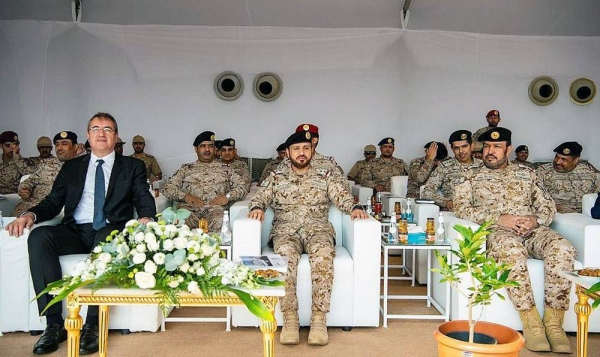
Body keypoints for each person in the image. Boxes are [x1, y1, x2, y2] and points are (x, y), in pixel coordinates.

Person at [5, 113, 156, 355]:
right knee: (39, 237)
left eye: (108, 129)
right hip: (76, 230)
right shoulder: (72, 167)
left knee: (107, 237)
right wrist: (30, 215)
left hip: (110, 229)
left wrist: (147, 217)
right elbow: (54, 201)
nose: (101, 133)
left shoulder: (132, 166)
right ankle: (53, 324)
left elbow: (142, 196)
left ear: (116, 136)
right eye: (95, 128)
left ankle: (92, 325)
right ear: (88, 135)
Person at [453, 127, 575, 354]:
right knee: (511, 251)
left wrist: (535, 219)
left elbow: (548, 206)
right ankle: (531, 322)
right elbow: (461, 208)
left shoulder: (527, 174)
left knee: (562, 248)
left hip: (532, 231)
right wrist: (499, 219)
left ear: (508, 149)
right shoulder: (469, 176)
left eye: (497, 147)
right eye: (487, 146)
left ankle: (554, 323)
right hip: (499, 233)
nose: (490, 151)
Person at [248, 131, 368, 346]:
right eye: (296, 149)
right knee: (284, 257)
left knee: (323, 255)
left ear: (312, 150)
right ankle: (290, 319)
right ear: (288, 153)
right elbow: (259, 197)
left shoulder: (325, 175)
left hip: (318, 229)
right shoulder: (276, 177)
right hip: (286, 231)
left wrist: (355, 208)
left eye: (305, 148)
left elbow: (341, 196)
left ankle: (319, 320)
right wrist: (257, 208)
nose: (301, 153)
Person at [161, 131, 247, 232]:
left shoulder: (226, 169)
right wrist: (185, 196)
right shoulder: (186, 169)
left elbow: (242, 187)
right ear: (196, 149)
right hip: (189, 210)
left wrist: (227, 197)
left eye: (210, 146)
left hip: (215, 211)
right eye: (203, 146)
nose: (207, 149)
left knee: (220, 222)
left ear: (215, 149)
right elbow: (167, 188)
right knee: (179, 225)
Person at [11, 131, 78, 217]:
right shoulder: (46, 164)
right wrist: (24, 188)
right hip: (28, 206)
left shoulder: (81, 166)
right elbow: (29, 181)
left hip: (51, 209)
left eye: (64, 144)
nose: (59, 148)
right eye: (57, 144)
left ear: (75, 147)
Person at [422, 130, 482, 211]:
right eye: (456, 148)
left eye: (464, 146)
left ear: (471, 146)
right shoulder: (444, 167)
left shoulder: (483, 166)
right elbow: (426, 193)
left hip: (482, 212)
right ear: (452, 149)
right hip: (455, 213)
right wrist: (446, 202)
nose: (461, 151)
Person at [537, 141, 600, 213]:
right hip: (554, 215)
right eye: (556, 157)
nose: (558, 162)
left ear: (576, 160)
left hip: (584, 217)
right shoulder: (543, 172)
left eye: (564, 159)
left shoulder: (590, 172)